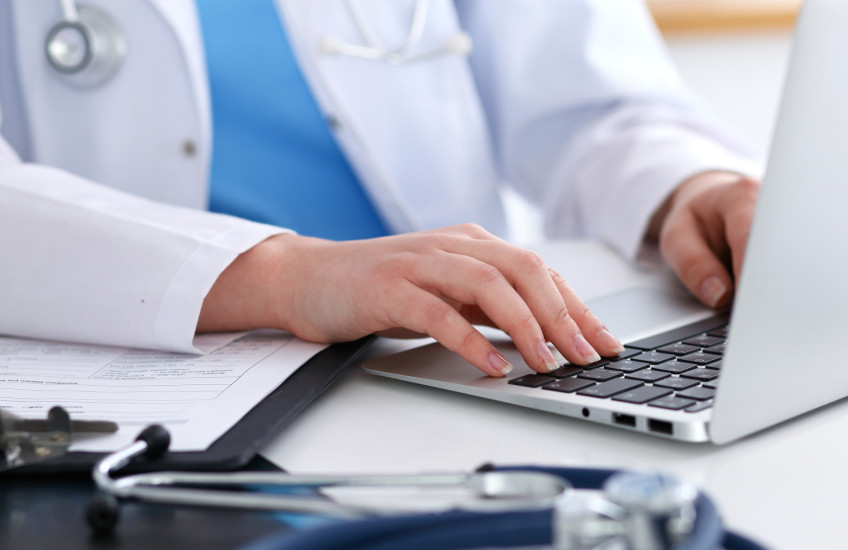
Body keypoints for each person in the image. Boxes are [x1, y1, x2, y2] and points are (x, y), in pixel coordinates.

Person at [0, 0, 760, 378]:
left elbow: (590, 100)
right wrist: (276, 274)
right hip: (151, 373)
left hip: (445, 360)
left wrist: (687, 187)